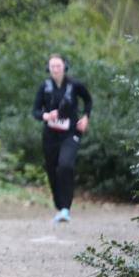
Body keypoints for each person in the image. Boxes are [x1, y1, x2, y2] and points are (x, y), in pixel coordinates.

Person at [32, 53, 93, 223]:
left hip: (70, 133)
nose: (56, 69)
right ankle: (60, 207)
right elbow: (35, 111)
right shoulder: (44, 87)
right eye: (52, 66)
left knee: (65, 165)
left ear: (64, 67)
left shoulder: (75, 85)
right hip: (50, 136)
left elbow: (88, 100)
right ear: (48, 68)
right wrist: (46, 116)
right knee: (52, 169)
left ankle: (66, 208)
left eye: (58, 66)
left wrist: (86, 117)